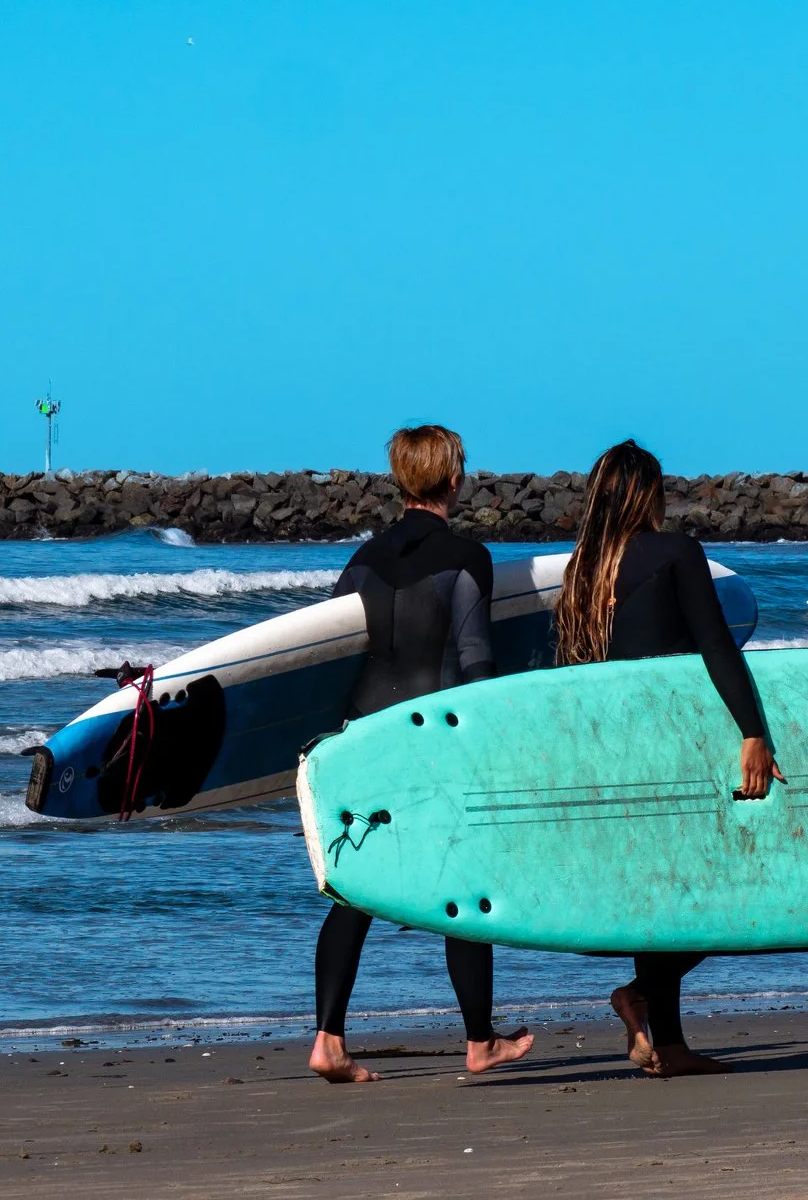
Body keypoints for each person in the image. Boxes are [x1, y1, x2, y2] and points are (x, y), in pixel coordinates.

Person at [310, 425, 536, 1085]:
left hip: (365, 737)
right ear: (454, 477)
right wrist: (495, 746)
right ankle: (479, 1040)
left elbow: (332, 653)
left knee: (354, 888)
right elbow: (474, 659)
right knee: (463, 884)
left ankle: (327, 1037)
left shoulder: (362, 559)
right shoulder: (469, 557)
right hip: (432, 738)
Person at [556, 440, 784, 1078]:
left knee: (661, 898)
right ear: (648, 493)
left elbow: (570, 680)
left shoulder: (582, 573)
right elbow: (717, 646)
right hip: (674, 751)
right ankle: (647, 1005)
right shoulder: (677, 550)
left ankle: (667, 1038)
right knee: (724, 891)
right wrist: (753, 732)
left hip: (610, 756)